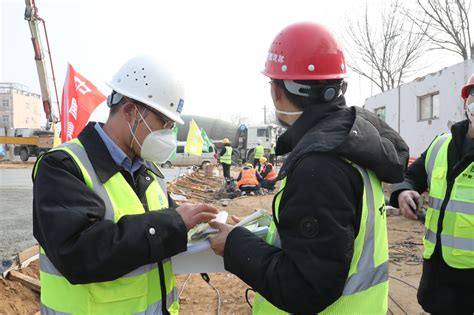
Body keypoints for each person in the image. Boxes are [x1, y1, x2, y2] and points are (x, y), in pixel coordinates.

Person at [208, 22, 409, 314]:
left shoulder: (319, 165)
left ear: (278, 91)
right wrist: (257, 231)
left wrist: (236, 246)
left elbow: (305, 287)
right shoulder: (354, 143)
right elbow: (330, 238)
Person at [32, 55, 218, 315]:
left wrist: (203, 226)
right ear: (130, 112)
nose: (166, 133)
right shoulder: (64, 166)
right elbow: (78, 253)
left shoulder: (150, 171)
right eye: (162, 123)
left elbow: (165, 223)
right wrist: (173, 223)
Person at [389, 74, 474, 315]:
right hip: (437, 268)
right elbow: (411, 176)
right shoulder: (441, 145)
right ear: (466, 102)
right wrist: (404, 191)